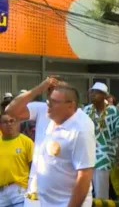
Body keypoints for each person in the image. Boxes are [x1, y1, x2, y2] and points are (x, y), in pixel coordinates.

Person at [4, 77, 65, 207]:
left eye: (58, 89)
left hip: (62, 184)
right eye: (50, 90)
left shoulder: (78, 116)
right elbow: (10, 110)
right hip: (37, 183)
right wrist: (38, 89)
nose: (53, 94)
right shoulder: (42, 108)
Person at [35, 86, 95, 207]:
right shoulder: (54, 122)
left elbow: (84, 175)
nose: (49, 105)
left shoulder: (80, 131)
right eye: (48, 100)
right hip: (46, 203)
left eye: (54, 102)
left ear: (70, 105)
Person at [83, 82, 119, 200]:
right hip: (87, 154)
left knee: (101, 192)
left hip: (104, 155)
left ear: (104, 96)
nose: (93, 95)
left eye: (97, 93)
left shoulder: (113, 111)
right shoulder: (86, 110)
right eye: (92, 92)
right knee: (85, 191)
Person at [0, 111, 34, 207]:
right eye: (5, 122)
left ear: (17, 123)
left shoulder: (27, 142)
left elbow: (34, 167)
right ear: (1, 125)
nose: (9, 124)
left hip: (19, 191)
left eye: (12, 121)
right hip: (1, 193)